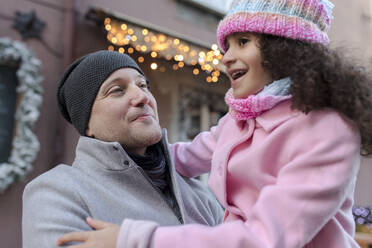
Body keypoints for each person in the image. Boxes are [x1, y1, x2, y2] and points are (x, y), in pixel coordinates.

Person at [57, 0, 372, 247]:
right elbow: (184, 156)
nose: (226, 57)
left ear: (284, 50)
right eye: (227, 46)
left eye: (243, 42)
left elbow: (264, 238)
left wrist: (137, 239)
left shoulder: (329, 130)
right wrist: (122, 147)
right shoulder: (240, 119)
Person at [22, 50, 223, 248]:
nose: (142, 96)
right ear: (87, 125)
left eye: (143, 85)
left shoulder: (199, 193)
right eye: (117, 90)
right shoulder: (58, 192)